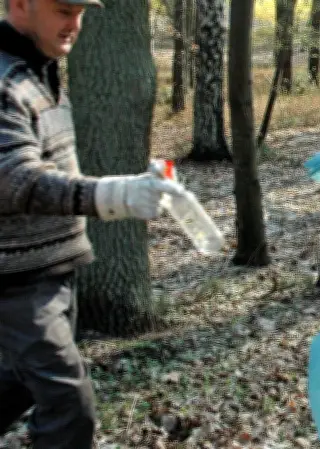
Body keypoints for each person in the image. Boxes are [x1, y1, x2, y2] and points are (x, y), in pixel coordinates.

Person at [0, 1, 185, 447]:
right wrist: (112, 195)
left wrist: (130, 185)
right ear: (21, 4)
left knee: (18, 387)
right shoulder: (4, 80)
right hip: (17, 280)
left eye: (80, 11)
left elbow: (46, 168)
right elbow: (12, 179)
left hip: (53, 270)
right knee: (69, 408)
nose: (75, 23)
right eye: (64, 9)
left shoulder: (37, 70)